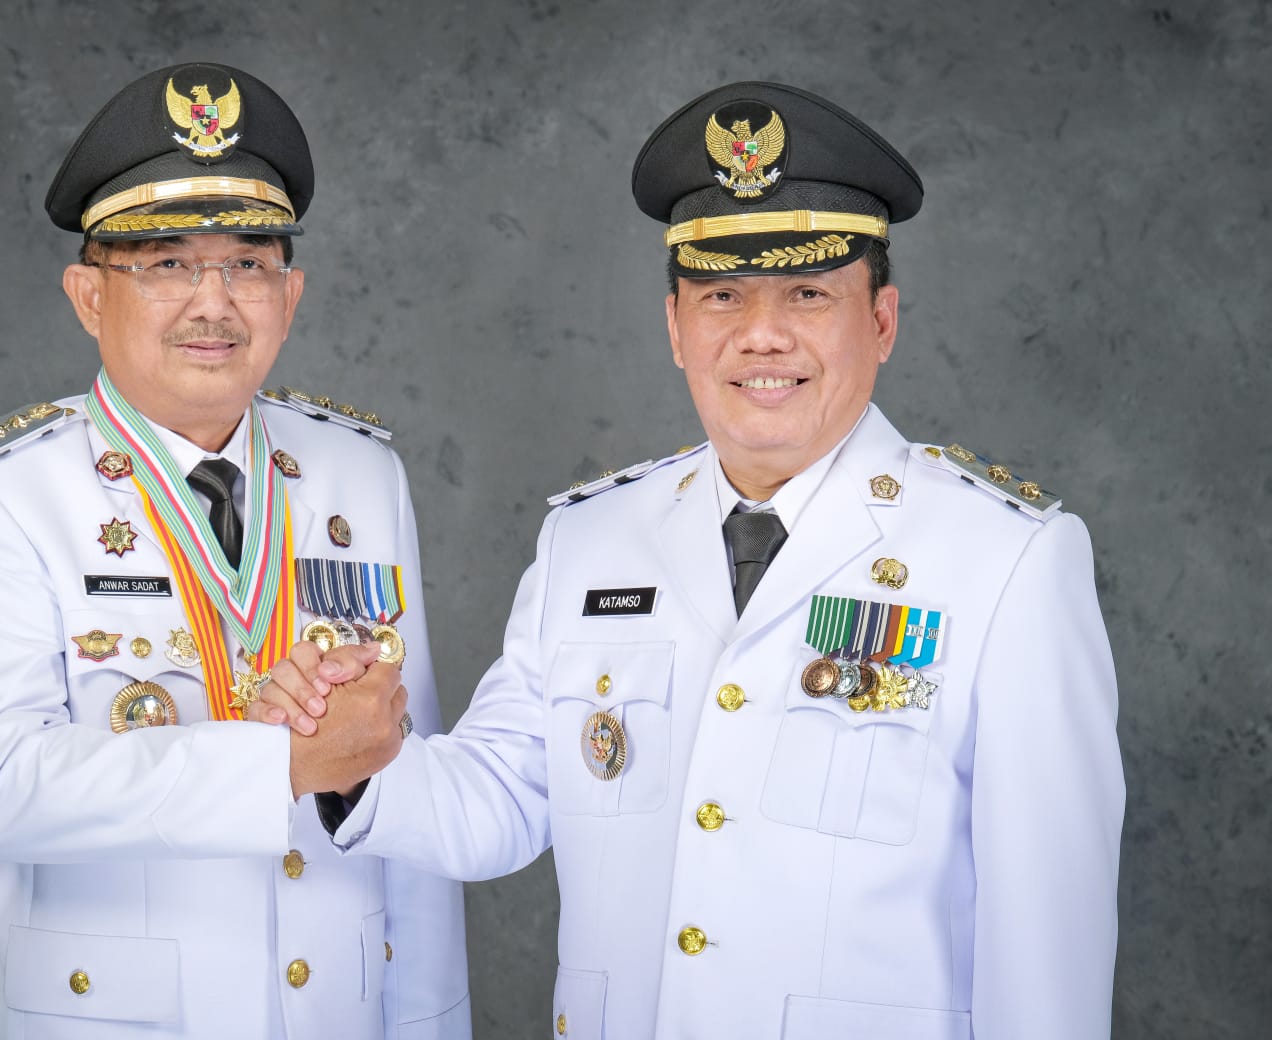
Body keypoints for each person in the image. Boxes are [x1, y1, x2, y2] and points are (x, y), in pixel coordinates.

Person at [293, 82, 1125, 1039]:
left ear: (882, 322)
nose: (761, 334)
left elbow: (1048, 936)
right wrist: (354, 764)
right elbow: (502, 795)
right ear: (676, 327)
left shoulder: (1007, 559)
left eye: (808, 293)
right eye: (722, 294)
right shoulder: (590, 540)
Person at [0, 62, 469, 1039]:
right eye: (166, 263)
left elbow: (405, 784)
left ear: (290, 293)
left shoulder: (361, 474)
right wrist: (281, 764)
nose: (214, 303)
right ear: (89, 296)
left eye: (248, 264)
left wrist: (431, 1023)